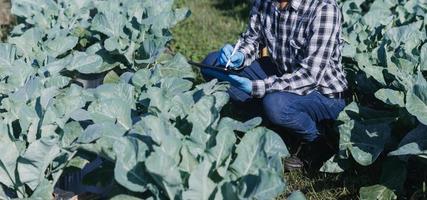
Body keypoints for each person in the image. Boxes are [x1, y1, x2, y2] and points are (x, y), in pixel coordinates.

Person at [201, 0, 348, 170]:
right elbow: (252, 40)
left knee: (275, 104)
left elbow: (310, 76)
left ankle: (317, 141)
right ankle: (274, 127)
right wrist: (239, 55)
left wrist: (256, 87)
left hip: (323, 95)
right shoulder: (265, 2)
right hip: (283, 75)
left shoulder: (324, 9)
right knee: (212, 66)